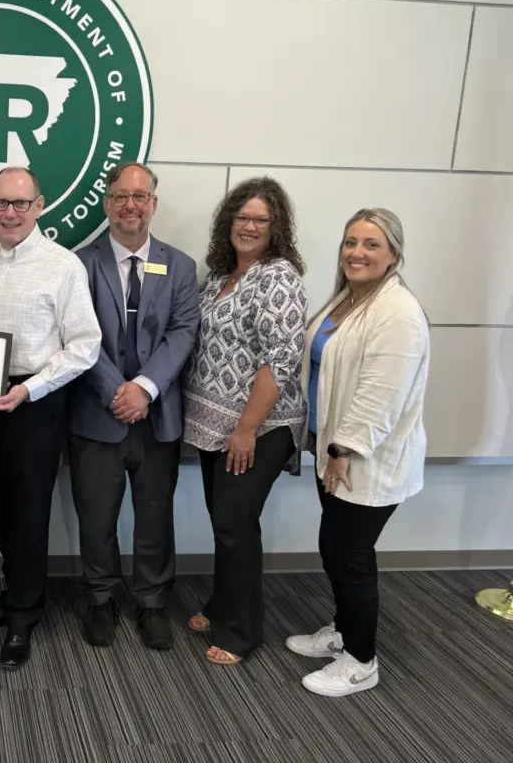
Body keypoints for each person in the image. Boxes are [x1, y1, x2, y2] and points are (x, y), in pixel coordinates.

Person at [0, 166, 102, 670]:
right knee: (0, 506)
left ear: (39, 206)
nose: (11, 212)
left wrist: (29, 389)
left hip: (35, 401)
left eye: (21, 203)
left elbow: (85, 344)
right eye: (2, 202)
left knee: (29, 511)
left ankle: (25, 613)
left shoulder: (62, 266)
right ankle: (14, 593)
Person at [288, 208, 429, 697]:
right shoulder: (348, 298)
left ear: (394, 254)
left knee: (347, 555)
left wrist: (342, 448)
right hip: (332, 451)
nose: (357, 252)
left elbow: (381, 394)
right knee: (341, 550)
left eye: (371, 244)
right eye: (351, 242)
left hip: (362, 459)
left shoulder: (398, 313)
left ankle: (361, 661)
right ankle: (344, 632)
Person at [68, 162, 200, 650]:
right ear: (107, 203)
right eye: (121, 196)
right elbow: (76, 335)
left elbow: (182, 332)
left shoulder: (180, 266)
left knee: (154, 517)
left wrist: (143, 388)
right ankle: (100, 599)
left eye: (139, 196)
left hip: (157, 416)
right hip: (96, 413)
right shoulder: (79, 265)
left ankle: (151, 601)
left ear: (153, 204)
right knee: (96, 517)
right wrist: (115, 390)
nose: (130, 205)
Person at [182, 177, 307, 666]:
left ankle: (241, 632)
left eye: (261, 219)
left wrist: (247, 429)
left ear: (276, 227)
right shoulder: (219, 275)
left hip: (259, 427)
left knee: (236, 524)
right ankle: (222, 604)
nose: (249, 226)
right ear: (228, 221)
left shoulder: (279, 277)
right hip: (214, 426)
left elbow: (280, 361)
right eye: (242, 217)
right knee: (225, 521)